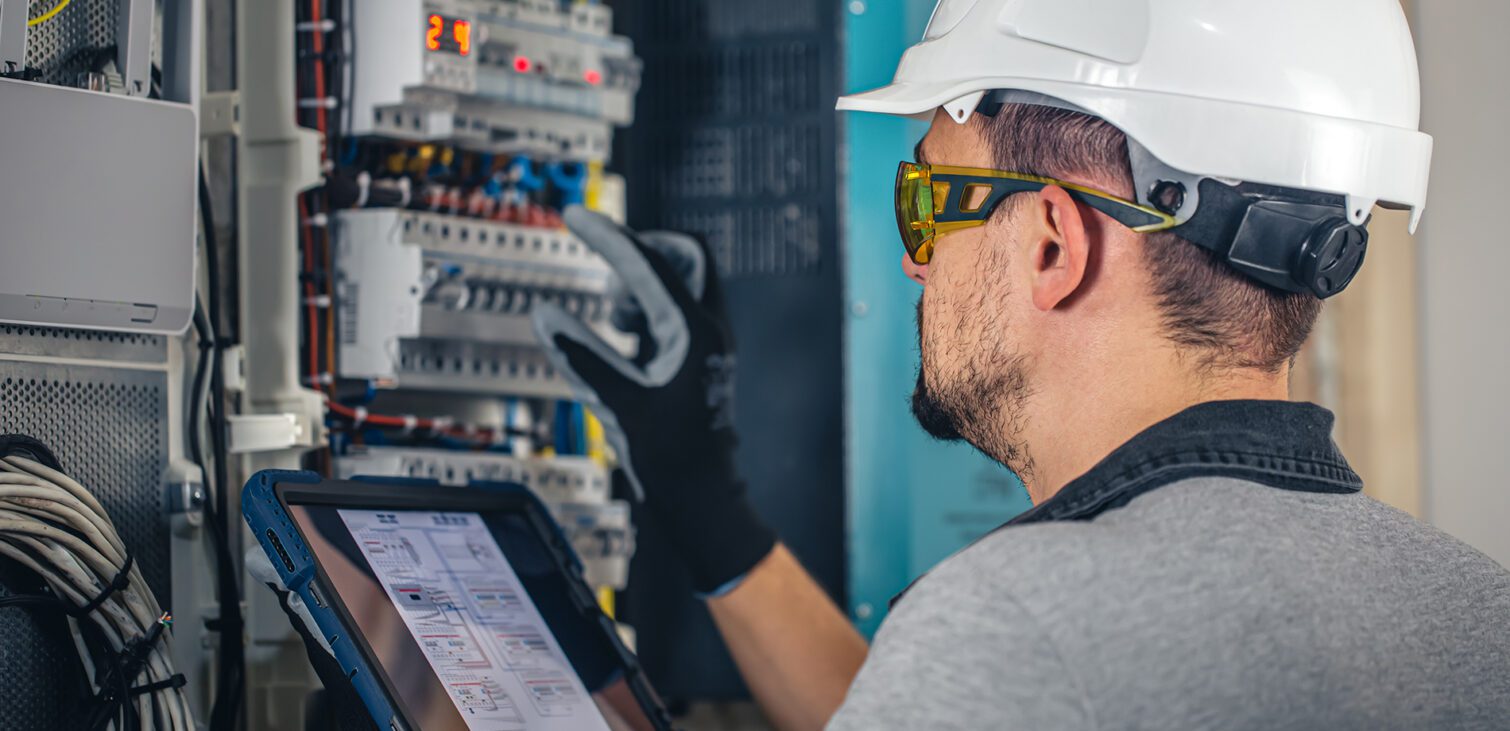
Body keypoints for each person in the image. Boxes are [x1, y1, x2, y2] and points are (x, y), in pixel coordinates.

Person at [532, 0, 1510, 728]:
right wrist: (705, 499)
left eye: (926, 200)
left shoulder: (1011, 621)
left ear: (1052, 242)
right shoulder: (1474, 612)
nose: (915, 259)